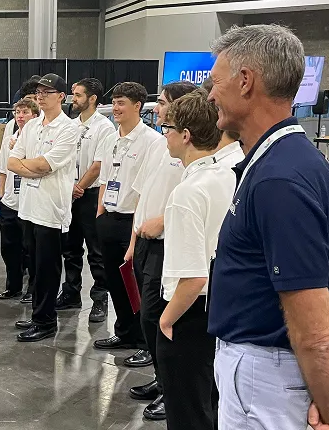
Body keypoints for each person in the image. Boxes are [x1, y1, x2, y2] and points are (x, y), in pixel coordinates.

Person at [207, 24, 329, 430]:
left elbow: (315, 333)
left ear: (245, 82)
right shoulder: (296, 163)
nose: (209, 95)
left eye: (215, 82)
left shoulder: (279, 180)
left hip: (266, 381)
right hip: (271, 377)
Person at [156, 89, 231, 430]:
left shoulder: (187, 192)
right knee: (208, 404)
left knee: (185, 409)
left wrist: (165, 321)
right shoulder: (226, 176)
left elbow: (193, 277)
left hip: (189, 312)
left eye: (166, 128)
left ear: (185, 135)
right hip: (219, 309)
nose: (164, 135)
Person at [122, 81, 196, 421]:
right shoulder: (160, 143)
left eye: (162, 102)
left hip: (167, 244)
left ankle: (171, 388)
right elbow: (143, 193)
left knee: (159, 316)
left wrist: (162, 224)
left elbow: (186, 199)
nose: (156, 108)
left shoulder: (189, 147)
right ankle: (160, 377)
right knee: (147, 315)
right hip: (145, 242)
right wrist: (134, 240)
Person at [8, 74, 82, 342]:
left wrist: (31, 166)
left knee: (48, 268)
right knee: (35, 267)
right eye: (39, 91)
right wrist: (32, 167)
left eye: (47, 91)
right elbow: (13, 162)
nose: (40, 95)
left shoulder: (69, 128)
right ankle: (37, 314)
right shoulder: (32, 126)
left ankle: (46, 321)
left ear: (61, 97)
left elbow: (45, 165)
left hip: (51, 210)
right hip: (28, 207)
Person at [93, 82, 161, 353]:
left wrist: (136, 230)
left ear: (138, 107)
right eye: (115, 103)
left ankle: (145, 342)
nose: (116, 108)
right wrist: (100, 211)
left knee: (138, 284)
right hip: (109, 216)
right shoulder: (111, 138)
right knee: (115, 281)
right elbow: (104, 178)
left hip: (133, 221)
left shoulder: (152, 142)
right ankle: (123, 331)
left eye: (122, 103)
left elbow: (148, 189)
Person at [55, 78, 115, 324]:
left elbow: (99, 165)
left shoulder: (104, 127)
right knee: (70, 247)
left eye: (78, 95)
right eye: (73, 94)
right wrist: (69, 187)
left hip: (89, 194)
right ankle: (71, 292)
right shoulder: (70, 125)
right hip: (69, 191)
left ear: (92, 99)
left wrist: (80, 186)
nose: (73, 99)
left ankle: (100, 298)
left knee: (96, 250)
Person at [0, 98, 40, 300]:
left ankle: (33, 288)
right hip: (10, 202)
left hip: (30, 202)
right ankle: (13, 285)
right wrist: (2, 194)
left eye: (25, 112)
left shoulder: (38, 140)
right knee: (9, 247)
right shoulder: (9, 139)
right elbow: (2, 169)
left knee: (30, 249)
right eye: (17, 113)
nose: (20, 116)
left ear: (34, 115)